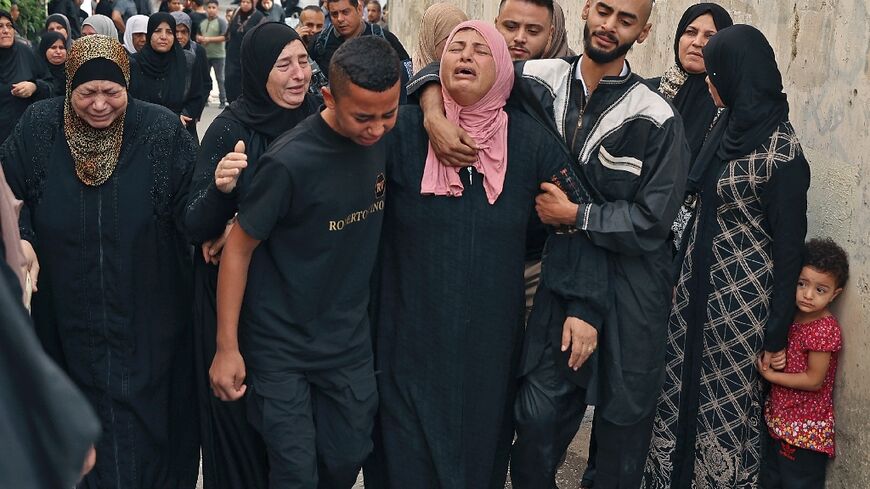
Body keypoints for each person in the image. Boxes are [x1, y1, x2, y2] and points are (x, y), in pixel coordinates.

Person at [408, 0, 690, 486]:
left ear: (643, 33)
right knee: (537, 416)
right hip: (562, 277)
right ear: (585, 11)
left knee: (622, 425)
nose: (609, 25)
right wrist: (433, 113)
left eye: (626, 20)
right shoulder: (536, 78)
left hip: (631, 284)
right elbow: (456, 68)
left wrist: (578, 214)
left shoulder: (656, 115)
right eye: (604, 11)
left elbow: (653, 221)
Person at [375, 20, 609, 489]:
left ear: (503, 69)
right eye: (456, 48)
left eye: (481, 50)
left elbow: (581, 220)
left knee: (477, 458)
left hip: (489, 345)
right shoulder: (400, 133)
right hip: (406, 336)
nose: (465, 55)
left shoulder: (528, 142)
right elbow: (336, 171)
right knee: (402, 457)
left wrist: (584, 306)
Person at [0, 33, 199, 489]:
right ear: (69, 88)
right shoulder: (38, 127)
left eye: (112, 92)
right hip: (66, 314)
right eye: (86, 93)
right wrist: (24, 237)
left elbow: (192, 204)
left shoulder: (161, 130)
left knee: (150, 423)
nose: (99, 105)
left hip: (147, 312)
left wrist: (221, 206)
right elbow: (8, 193)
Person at [209, 36, 401, 489]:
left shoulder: (386, 138)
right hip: (281, 347)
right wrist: (226, 348)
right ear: (329, 97)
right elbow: (237, 249)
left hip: (348, 344)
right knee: (294, 470)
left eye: (388, 114)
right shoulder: (289, 162)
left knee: (348, 452)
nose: (376, 128)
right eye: (363, 117)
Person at [643, 24, 811, 489]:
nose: (710, 83)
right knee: (674, 394)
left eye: (716, 74)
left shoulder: (783, 155)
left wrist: (776, 335)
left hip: (741, 306)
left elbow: (789, 249)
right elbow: (695, 207)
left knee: (726, 406)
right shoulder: (725, 126)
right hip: (694, 290)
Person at [185, 22, 319, 489]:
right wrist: (223, 195)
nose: (298, 74)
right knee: (239, 440)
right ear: (259, 70)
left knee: (297, 448)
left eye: (303, 61)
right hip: (234, 309)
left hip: (298, 306)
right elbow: (192, 223)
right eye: (284, 65)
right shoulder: (230, 128)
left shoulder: (323, 118)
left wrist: (238, 229)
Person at [760, 238, 848, 489]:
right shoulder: (791, 315)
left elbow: (813, 379)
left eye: (820, 290)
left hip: (805, 433)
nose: (808, 295)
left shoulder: (823, 329)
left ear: (835, 294)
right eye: (802, 284)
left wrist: (772, 376)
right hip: (781, 423)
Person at [649, 3, 732, 251]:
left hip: (695, 242)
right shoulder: (647, 94)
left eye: (710, 36)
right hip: (636, 228)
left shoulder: (729, 110)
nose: (697, 42)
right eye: (690, 32)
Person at [311, 0, 411, 98]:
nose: (340, 19)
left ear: (359, 10)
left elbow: (407, 71)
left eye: (345, 12)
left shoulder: (383, 38)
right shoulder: (320, 42)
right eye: (334, 14)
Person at [129, 13, 205, 136]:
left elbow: (197, 96)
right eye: (158, 31)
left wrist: (184, 115)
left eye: (169, 32)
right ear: (149, 34)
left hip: (180, 131)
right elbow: (129, 100)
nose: (163, 37)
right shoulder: (134, 62)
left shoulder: (187, 61)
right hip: (143, 132)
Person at [0, 11, 52, 144]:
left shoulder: (27, 52)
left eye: (9, 25)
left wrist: (34, 86)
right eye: (0, 26)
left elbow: (50, 84)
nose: (5, 30)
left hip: (25, 138)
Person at [171, 10, 210, 138]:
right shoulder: (162, 53)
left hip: (188, 115)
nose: (179, 36)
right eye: (175, 31)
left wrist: (194, 111)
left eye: (184, 32)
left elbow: (205, 84)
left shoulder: (197, 51)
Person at [225, 0, 265, 102]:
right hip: (232, 54)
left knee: (244, 81)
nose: (245, 4)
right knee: (230, 80)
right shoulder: (236, 12)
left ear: (252, 4)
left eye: (248, 2)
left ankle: (243, 104)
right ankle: (231, 103)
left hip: (247, 55)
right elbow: (229, 33)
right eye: (243, 1)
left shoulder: (259, 17)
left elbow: (260, 37)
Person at [411, 2, 467, 74]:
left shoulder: (466, 77)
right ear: (432, 39)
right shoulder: (400, 76)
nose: (459, 48)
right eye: (450, 38)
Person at [198, 0, 229, 108]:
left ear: (217, 9)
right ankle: (205, 99)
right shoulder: (203, 22)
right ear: (206, 9)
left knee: (220, 78)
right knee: (205, 78)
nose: (211, 9)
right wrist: (200, 38)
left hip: (218, 56)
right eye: (209, 7)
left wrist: (208, 39)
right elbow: (198, 35)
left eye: (213, 7)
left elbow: (225, 37)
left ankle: (222, 100)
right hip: (205, 55)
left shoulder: (221, 22)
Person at [37, 31, 68, 96]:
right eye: (53, 47)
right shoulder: (36, 73)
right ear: (44, 49)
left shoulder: (72, 72)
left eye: (61, 47)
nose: (58, 52)